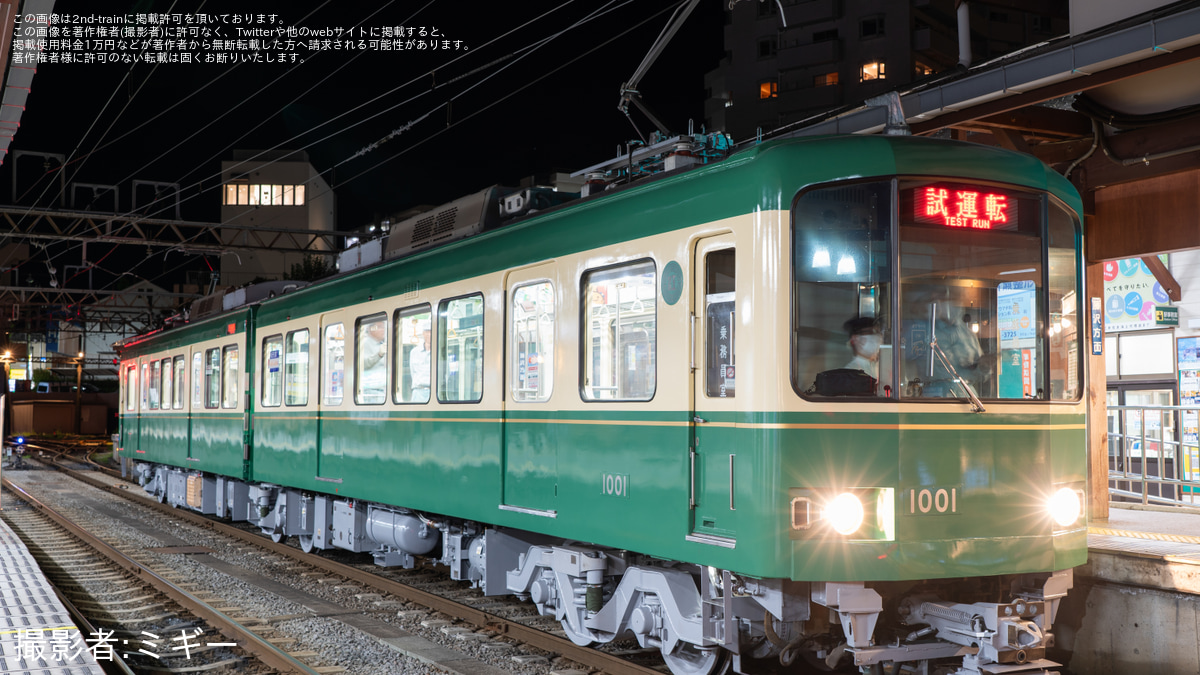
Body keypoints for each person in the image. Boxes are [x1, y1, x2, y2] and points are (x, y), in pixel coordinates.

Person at [358, 320, 387, 403]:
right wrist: (379, 355)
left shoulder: (384, 343)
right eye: (380, 327)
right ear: (371, 329)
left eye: (383, 327)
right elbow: (364, 364)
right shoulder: (364, 344)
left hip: (383, 390)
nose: (383, 330)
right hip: (370, 390)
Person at [408, 328, 431, 403]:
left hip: (434, 392)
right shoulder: (414, 352)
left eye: (431, 332)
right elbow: (412, 372)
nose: (429, 335)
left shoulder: (440, 352)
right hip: (418, 392)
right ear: (423, 334)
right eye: (427, 332)